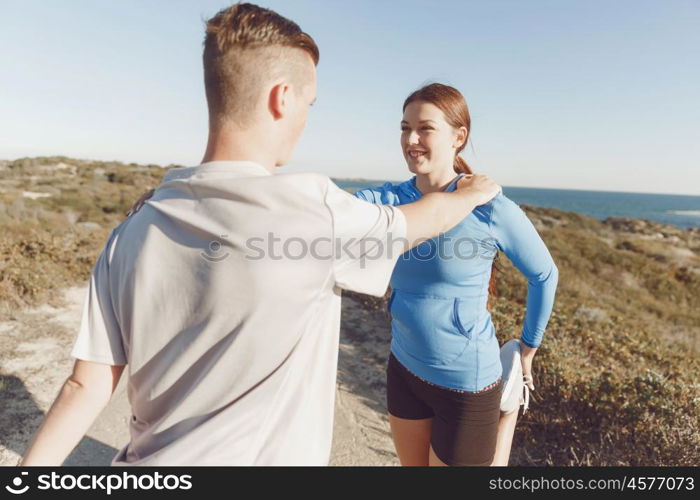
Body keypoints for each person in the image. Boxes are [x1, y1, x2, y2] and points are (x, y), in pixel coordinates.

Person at [19, 4, 501, 466]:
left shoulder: (133, 228)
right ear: (282, 98)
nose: (306, 118)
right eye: (309, 103)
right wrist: (472, 192)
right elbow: (422, 220)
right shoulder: (313, 210)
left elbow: (85, 388)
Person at [353, 83, 559, 466]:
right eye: (404, 128)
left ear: (458, 136)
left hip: (465, 384)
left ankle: (507, 410)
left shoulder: (490, 208)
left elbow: (545, 275)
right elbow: (334, 213)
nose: (411, 139)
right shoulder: (389, 199)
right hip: (404, 367)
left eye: (425, 128)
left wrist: (529, 347)